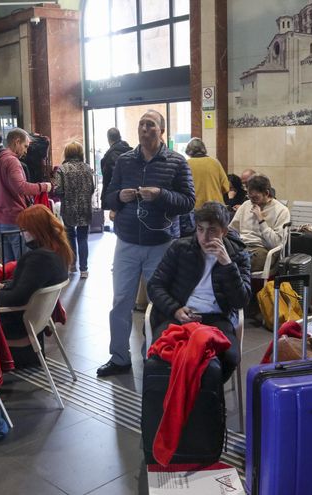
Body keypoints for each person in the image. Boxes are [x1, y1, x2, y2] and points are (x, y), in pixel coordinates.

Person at [100, 109, 195, 377]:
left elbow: (189, 201)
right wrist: (120, 196)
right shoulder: (124, 161)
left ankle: (154, 355)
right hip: (127, 242)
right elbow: (108, 197)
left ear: (161, 130)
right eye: (141, 124)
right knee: (121, 301)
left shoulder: (177, 162)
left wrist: (161, 194)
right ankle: (119, 357)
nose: (144, 129)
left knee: (159, 303)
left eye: (150, 125)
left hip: (162, 244)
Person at [147, 202, 251, 381]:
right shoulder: (180, 248)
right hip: (179, 315)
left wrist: (227, 264)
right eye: (200, 229)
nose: (204, 237)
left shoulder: (238, 255)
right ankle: (173, 400)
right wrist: (176, 309)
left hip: (216, 318)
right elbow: (155, 285)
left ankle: (207, 403)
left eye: (212, 230)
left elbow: (240, 301)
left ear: (224, 232)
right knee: (161, 354)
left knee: (229, 357)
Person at [0, 205, 71, 367]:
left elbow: (17, 298)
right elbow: (28, 288)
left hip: (17, 323)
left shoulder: (38, 258)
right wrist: (2, 287)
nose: (22, 233)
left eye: (24, 229)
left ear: (37, 230)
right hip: (36, 319)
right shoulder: (59, 252)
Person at [0, 128, 52, 263]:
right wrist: (44, 186)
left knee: (9, 268)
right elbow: (21, 187)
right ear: (17, 142)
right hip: (15, 220)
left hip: (0, 220)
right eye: (25, 146)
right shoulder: (11, 161)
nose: (26, 151)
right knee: (24, 264)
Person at [228, 175, 290, 272]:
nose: (252, 201)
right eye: (249, 196)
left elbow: (277, 243)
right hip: (242, 246)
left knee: (239, 263)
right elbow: (232, 230)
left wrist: (261, 220)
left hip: (261, 249)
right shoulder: (246, 205)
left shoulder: (281, 211)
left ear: (266, 193)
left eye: (255, 197)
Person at [52, 141, 95, 278]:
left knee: (70, 237)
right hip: (85, 208)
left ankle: (72, 265)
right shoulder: (87, 168)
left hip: (69, 208)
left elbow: (58, 190)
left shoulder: (62, 169)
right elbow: (92, 188)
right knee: (83, 238)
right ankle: (84, 269)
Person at [185, 138, 229, 208]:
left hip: (196, 207)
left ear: (188, 151)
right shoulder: (215, 163)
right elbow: (225, 187)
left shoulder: (186, 164)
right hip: (216, 206)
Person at [100, 127, 132, 210]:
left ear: (108, 139)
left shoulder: (111, 156)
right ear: (120, 136)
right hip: (131, 196)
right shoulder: (131, 153)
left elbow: (113, 179)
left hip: (115, 197)